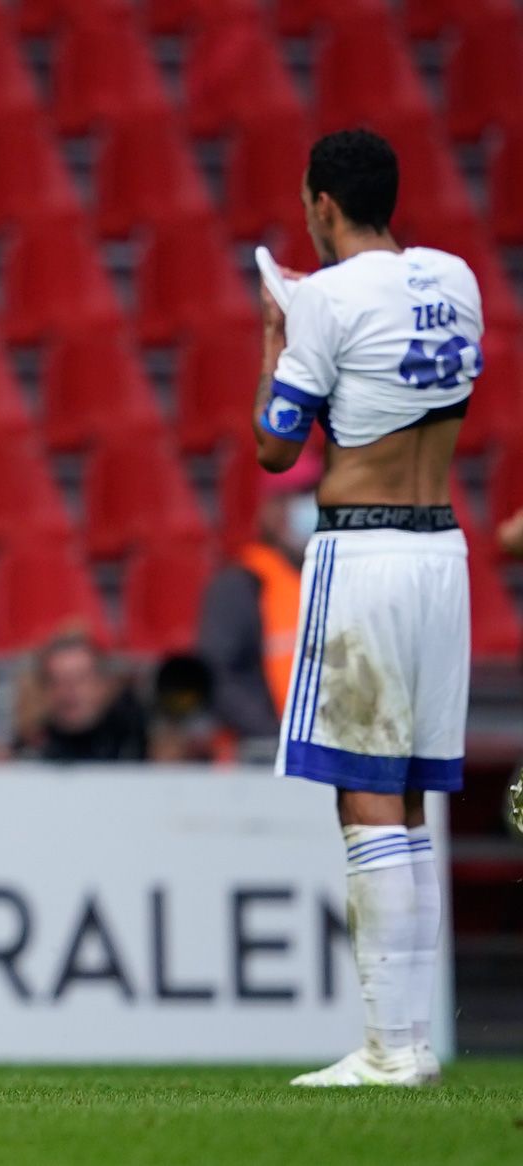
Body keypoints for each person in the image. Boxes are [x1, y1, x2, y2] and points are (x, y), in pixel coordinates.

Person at [251, 129, 482, 1087]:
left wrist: (276, 332)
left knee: (367, 792)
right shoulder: (456, 278)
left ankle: (392, 1048)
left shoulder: (325, 298)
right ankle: (412, 1039)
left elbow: (274, 448)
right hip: (445, 552)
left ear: (321, 204)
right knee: (413, 800)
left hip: (368, 553)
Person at [195, 452, 322, 751]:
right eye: (300, 495)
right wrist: (275, 736)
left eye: (315, 492)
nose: (313, 504)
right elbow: (220, 677)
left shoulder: (337, 578)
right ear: (272, 509)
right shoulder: (239, 586)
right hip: (259, 760)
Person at [9, 634, 149, 763]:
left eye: (80, 679)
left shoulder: (137, 741)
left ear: (102, 685)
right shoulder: (27, 750)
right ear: (45, 690)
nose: (69, 691)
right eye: (58, 681)